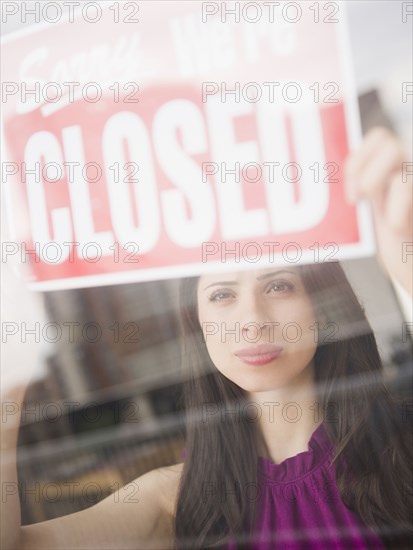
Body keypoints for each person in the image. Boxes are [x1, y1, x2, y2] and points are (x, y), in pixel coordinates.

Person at [1, 127, 412, 550]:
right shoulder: (179, 499)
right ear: (196, 323)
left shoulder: (401, 450)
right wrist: (12, 363)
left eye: (279, 286)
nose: (252, 321)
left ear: (322, 303)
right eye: (222, 295)